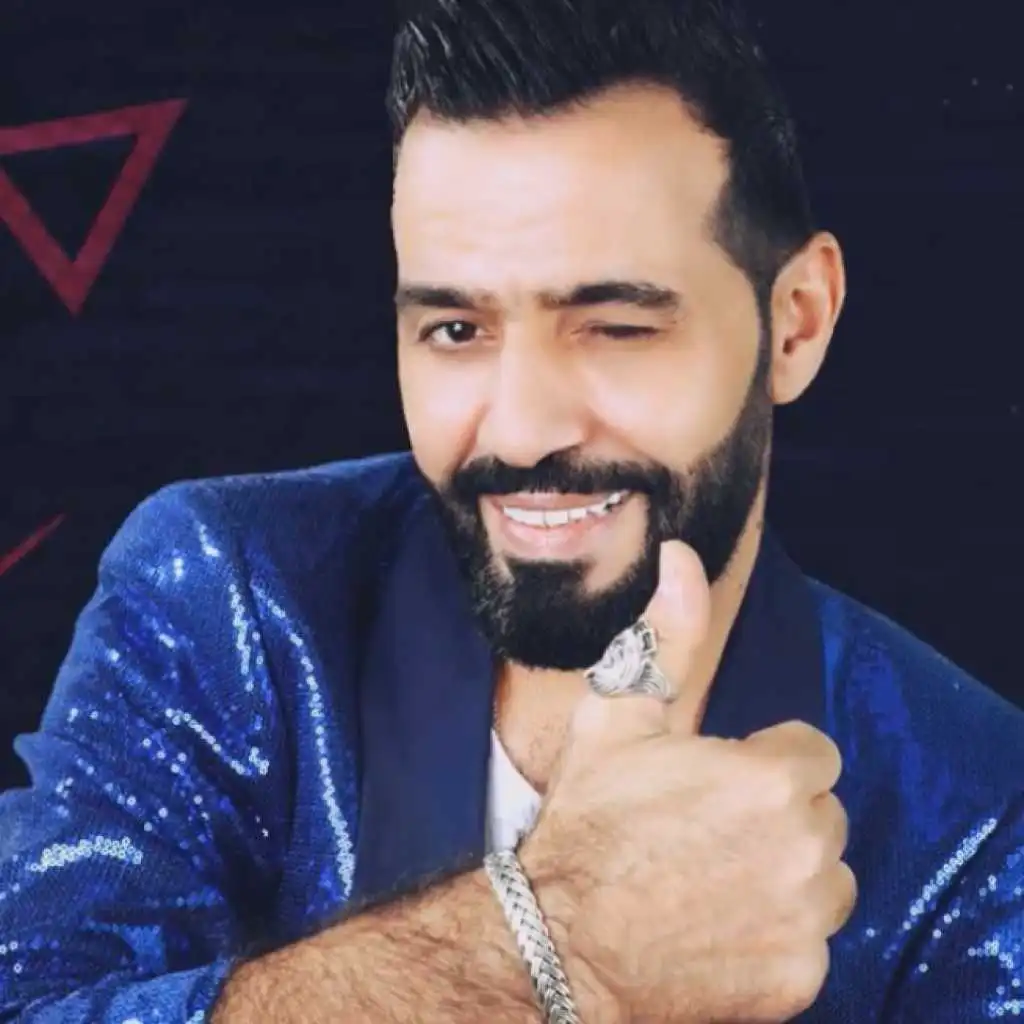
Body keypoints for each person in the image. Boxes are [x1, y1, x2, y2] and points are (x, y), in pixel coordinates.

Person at [1, 0, 1022, 1020]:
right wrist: (560, 941)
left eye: (615, 327)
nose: (524, 430)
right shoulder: (225, 596)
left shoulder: (978, 815)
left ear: (795, 325)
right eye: (456, 329)